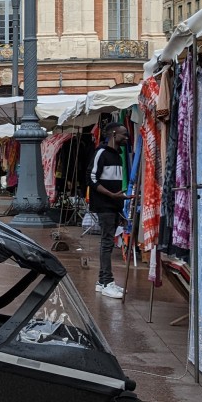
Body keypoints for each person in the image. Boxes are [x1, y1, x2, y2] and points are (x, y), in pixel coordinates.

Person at [89, 122, 133, 299]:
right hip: (104, 205)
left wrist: (119, 202)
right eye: (124, 135)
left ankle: (102, 281)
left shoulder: (117, 156)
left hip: (113, 205)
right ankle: (107, 282)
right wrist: (111, 196)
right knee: (107, 243)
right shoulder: (101, 153)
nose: (126, 138)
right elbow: (91, 178)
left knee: (108, 242)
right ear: (114, 134)